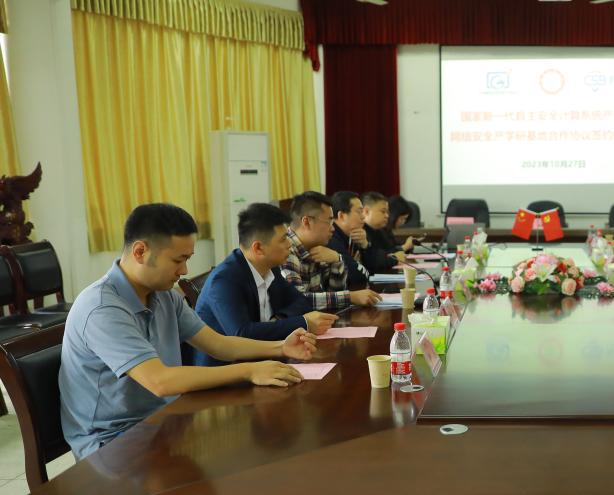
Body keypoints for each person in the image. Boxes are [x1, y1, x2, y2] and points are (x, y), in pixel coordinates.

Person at [59, 203, 317, 459]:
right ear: (140, 252)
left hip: (163, 421)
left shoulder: (164, 296)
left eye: (187, 259)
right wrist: (250, 370)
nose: (184, 271)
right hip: (111, 443)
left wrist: (281, 347)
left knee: (258, 450)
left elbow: (220, 345)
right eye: (178, 260)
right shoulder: (102, 308)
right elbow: (160, 381)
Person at [195, 203, 337, 366]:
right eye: (283, 239)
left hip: (265, 359)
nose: (289, 244)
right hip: (226, 371)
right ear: (258, 248)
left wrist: (277, 319)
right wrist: (303, 322)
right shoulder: (224, 280)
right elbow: (241, 334)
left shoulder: (270, 268)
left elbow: (300, 301)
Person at [281, 191, 381, 309]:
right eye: (329, 221)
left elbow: (334, 296)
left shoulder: (319, 248)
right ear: (307, 222)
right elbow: (297, 300)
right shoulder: (286, 250)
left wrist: (337, 261)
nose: (333, 228)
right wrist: (350, 297)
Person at [327, 191, 371, 289]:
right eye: (359, 212)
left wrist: (365, 245)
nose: (363, 216)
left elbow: (372, 270)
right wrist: (357, 266)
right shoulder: (332, 238)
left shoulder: (353, 235)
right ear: (341, 216)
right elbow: (358, 276)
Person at [361, 191, 411, 273]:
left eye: (387, 212)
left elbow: (390, 250)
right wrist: (395, 256)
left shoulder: (380, 230)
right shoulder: (360, 232)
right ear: (366, 211)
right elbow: (373, 260)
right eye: (383, 211)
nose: (387, 216)